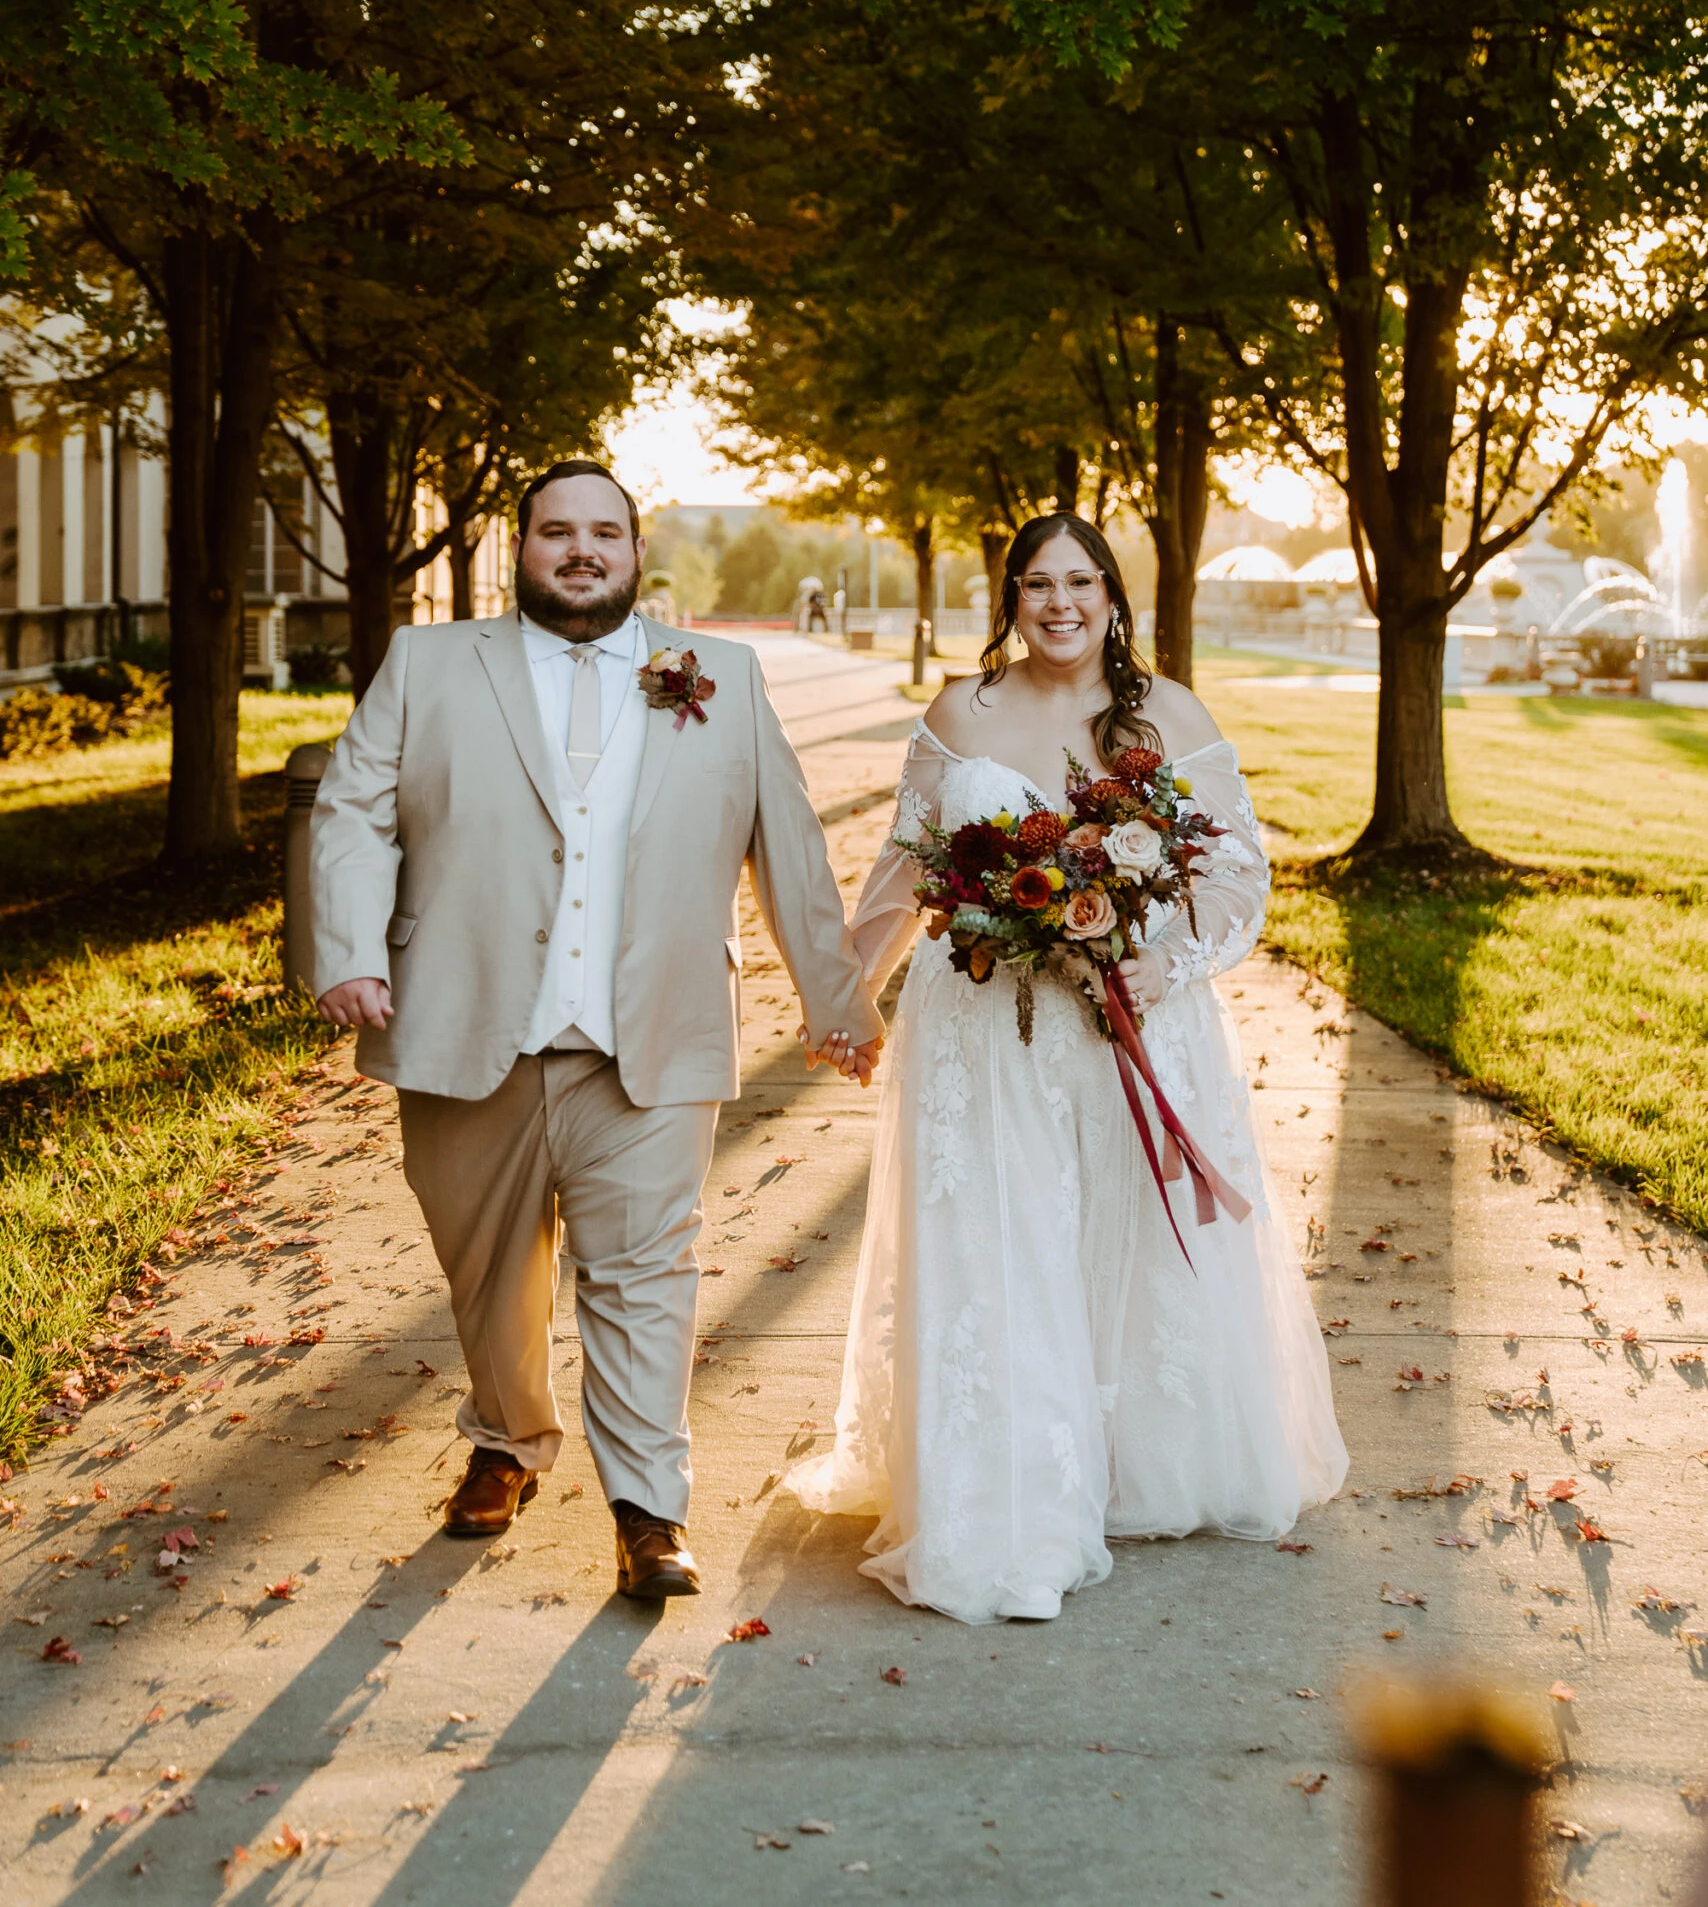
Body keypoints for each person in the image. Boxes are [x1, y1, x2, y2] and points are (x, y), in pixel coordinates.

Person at [310, 460, 883, 1597]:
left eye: (604, 533)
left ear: (635, 549)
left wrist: (834, 998)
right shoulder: (429, 665)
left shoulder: (715, 672)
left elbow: (789, 841)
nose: (581, 550)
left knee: (644, 1276)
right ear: (517, 548)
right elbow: (352, 809)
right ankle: (509, 1436)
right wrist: (352, 952)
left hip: (654, 1037)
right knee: (490, 1279)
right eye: (556, 532)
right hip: (467, 1021)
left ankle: (648, 1510)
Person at [788, 513, 1347, 1624]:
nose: (1059, 602)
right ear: (1010, 595)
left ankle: (1138, 1457)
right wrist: (842, 996)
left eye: (1080, 581)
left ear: (1111, 596)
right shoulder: (962, 711)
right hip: (985, 1025)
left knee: (1120, 1224)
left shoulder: (1166, 714)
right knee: (1000, 1232)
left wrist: (1148, 965)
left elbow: (1237, 876)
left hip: (1130, 1013)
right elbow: (906, 872)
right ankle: (1006, 1481)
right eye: (1038, 582)